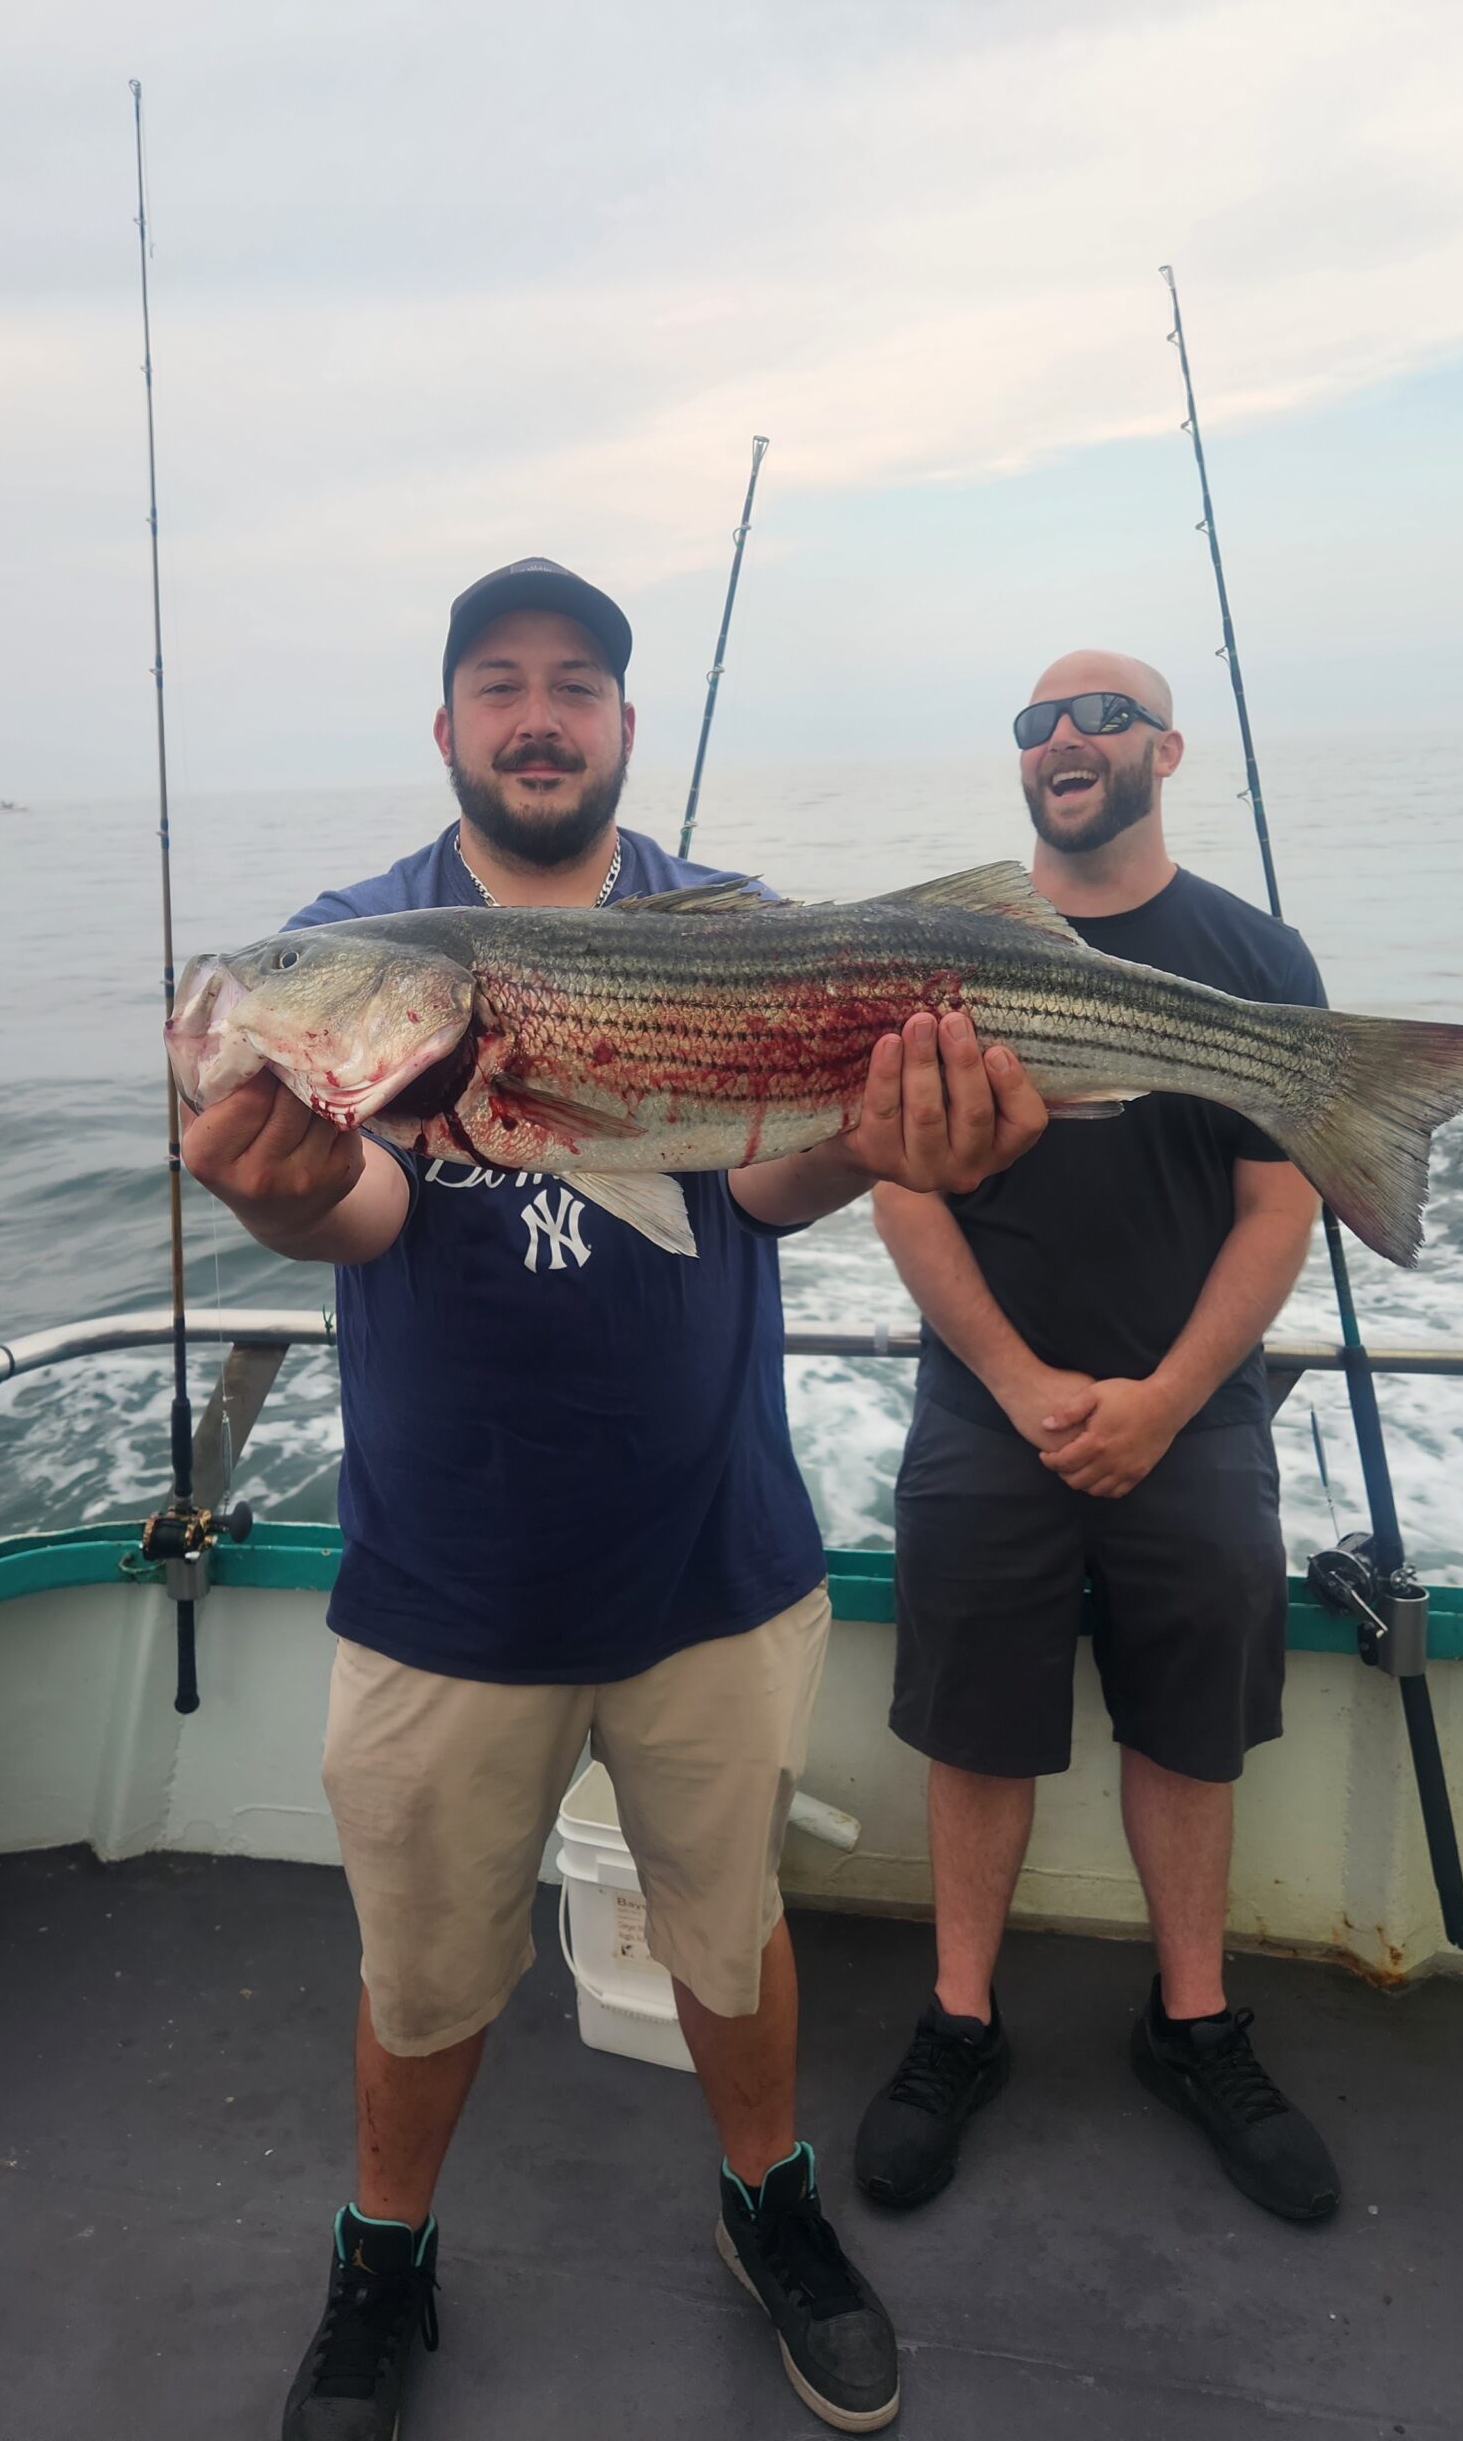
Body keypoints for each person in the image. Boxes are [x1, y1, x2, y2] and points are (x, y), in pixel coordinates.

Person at [181, 557, 1050, 2438]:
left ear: (625, 729)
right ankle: (382, 2259)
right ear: (447, 730)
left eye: (576, 684)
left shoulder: (732, 933)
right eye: (498, 684)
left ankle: (772, 2208)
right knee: (423, 1976)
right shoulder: (365, 939)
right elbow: (372, 1204)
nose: (539, 715)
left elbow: (752, 1185)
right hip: (445, 1576)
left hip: (713, 1557)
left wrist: (882, 1143)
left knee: (730, 1936)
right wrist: (267, 1189)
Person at [854, 648, 1341, 2228]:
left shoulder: (1255, 955)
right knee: (975, 1723)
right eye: (1037, 721)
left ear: (1169, 751)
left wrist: (1168, 1400)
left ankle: (1193, 2025)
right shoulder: (944, 948)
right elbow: (897, 1181)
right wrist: (1010, 1382)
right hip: (986, 1403)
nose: (1065, 737)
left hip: (1190, 1411)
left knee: (1188, 1724)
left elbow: (1283, 1198)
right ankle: (959, 2021)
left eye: (1103, 714)